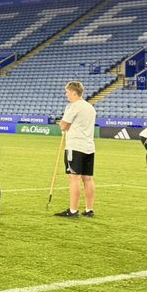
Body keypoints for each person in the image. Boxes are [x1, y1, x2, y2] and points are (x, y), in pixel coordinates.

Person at [56, 80, 97, 218]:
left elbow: (63, 126)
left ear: (73, 92)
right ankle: (89, 209)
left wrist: (61, 123)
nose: (66, 94)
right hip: (89, 146)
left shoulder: (73, 107)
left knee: (74, 178)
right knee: (88, 178)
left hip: (75, 146)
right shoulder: (90, 107)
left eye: (67, 92)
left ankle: (73, 210)